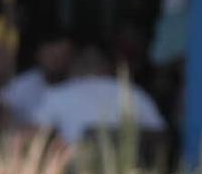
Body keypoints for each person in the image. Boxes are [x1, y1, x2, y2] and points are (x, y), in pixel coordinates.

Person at [29, 44, 166, 145]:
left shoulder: (58, 94)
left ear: (74, 68)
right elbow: (160, 137)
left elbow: (33, 138)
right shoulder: (136, 94)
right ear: (108, 68)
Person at [0, 32, 75, 126]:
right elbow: (1, 107)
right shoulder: (22, 85)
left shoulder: (80, 85)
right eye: (50, 55)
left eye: (60, 56)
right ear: (39, 54)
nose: (55, 60)